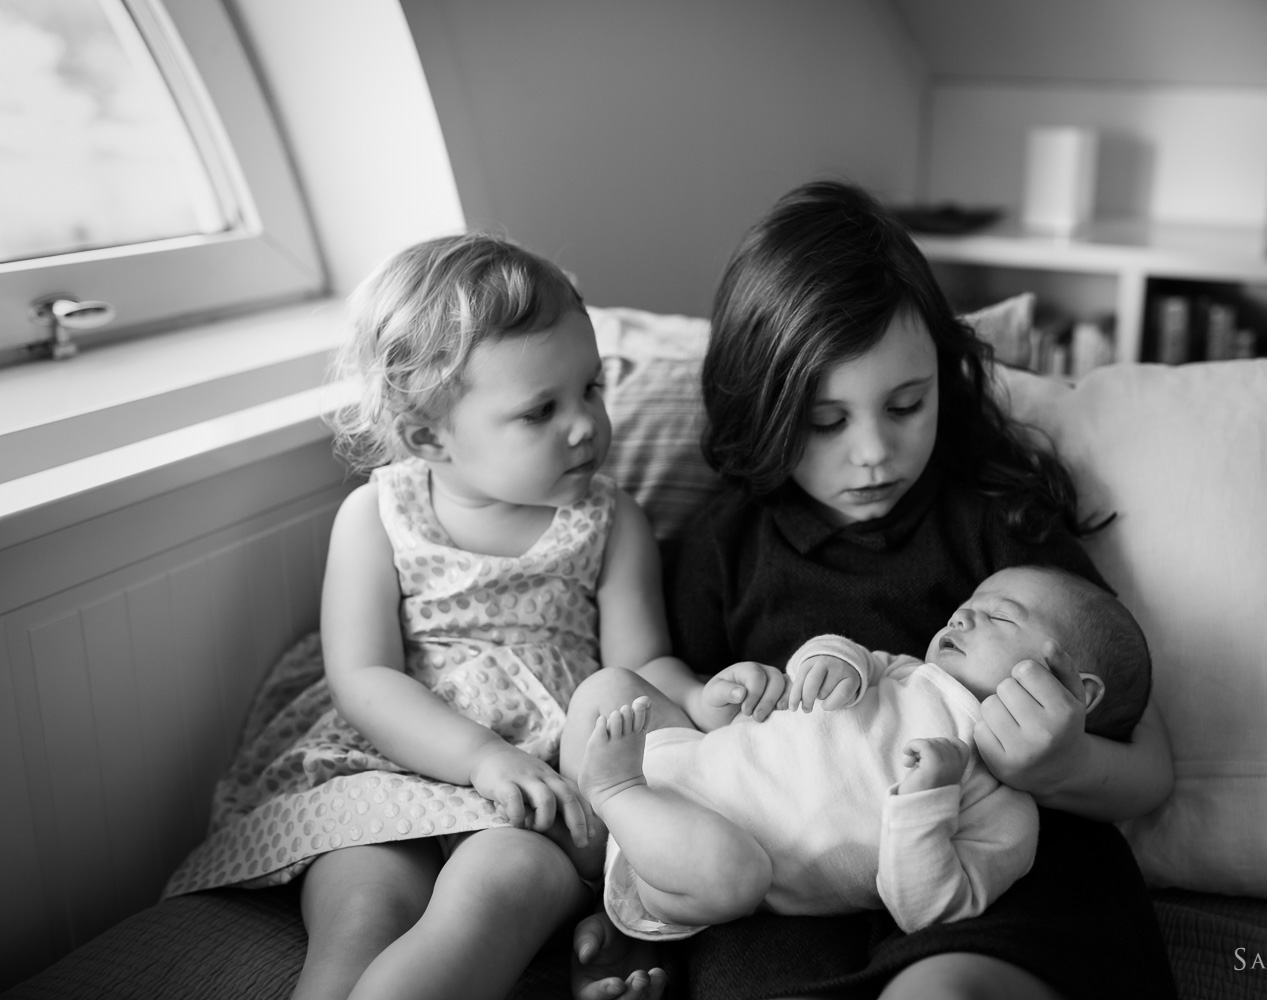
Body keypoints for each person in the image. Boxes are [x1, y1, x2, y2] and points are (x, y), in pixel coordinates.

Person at [569, 180, 1177, 1000]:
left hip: (993, 863)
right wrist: (714, 695)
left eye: (906, 405)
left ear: (941, 377)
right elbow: (670, 700)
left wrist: (1066, 762)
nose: (874, 454)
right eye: (827, 423)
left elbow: (1149, 769)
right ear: (765, 407)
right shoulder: (728, 540)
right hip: (785, 880)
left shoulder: (995, 521)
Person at [161, 233, 692, 1000]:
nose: (584, 425)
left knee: (493, 894)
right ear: (426, 436)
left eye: (592, 389)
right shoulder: (377, 514)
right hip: (392, 760)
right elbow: (363, 675)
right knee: (362, 912)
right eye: (541, 409)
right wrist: (478, 757)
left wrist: (707, 698)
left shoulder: (613, 523)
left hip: (541, 787)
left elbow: (637, 675)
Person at [571, 564, 1152, 944]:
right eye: (970, 602)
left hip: (693, 854)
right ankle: (586, 847)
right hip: (690, 758)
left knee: (737, 874)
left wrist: (924, 804)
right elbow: (852, 654)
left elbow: (930, 910)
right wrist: (824, 664)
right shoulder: (910, 673)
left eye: (1000, 616)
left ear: (1076, 691)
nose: (962, 614)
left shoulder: (1006, 811)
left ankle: (611, 795)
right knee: (608, 687)